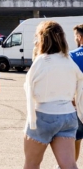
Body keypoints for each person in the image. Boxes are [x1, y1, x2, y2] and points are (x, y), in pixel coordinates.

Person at [23, 21, 83, 169]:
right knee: (69, 164)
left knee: (32, 163)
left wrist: (32, 119)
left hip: (43, 114)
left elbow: (29, 88)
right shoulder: (69, 61)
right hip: (69, 115)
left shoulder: (41, 61)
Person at [71, 24, 83, 161]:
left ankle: (71, 165)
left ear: (79, 38)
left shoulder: (72, 56)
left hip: (78, 102)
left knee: (76, 138)